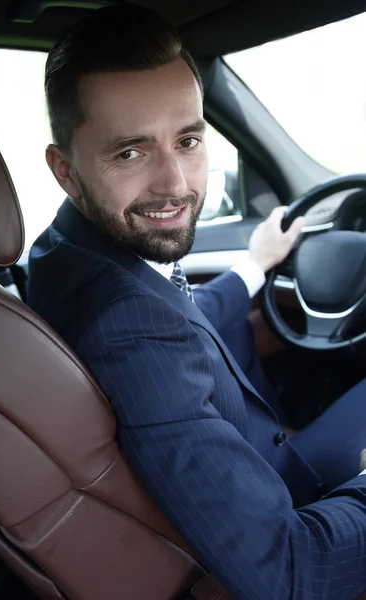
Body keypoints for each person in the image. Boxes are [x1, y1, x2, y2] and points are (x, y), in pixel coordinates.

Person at [27, 5, 366, 599]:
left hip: (259, 470)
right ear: (63, 169)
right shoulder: (129, 333)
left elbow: (178, 320)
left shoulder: (64, 255)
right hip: (291, 502)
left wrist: (255, 266)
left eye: (188, 140)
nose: (177, 184)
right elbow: (290, 573)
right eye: (130, 153)